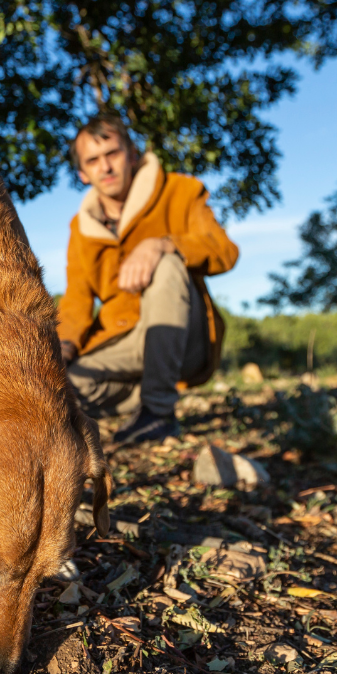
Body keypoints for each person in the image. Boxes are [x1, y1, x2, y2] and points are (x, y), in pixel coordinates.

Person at [57, 113, 239, 445]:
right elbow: (77, 299)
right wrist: (61, 348)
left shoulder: (181, 190)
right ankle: (150, 392)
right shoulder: (79, 229)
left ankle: (158, 413)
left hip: (185, 336)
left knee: (168, 265)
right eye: (93, 161)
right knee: (61, 386)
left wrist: (164, 244)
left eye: (112, 154)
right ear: (83, 174)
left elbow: (224, 250)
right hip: (124, 342)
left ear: (133, 154)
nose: (106, 167)